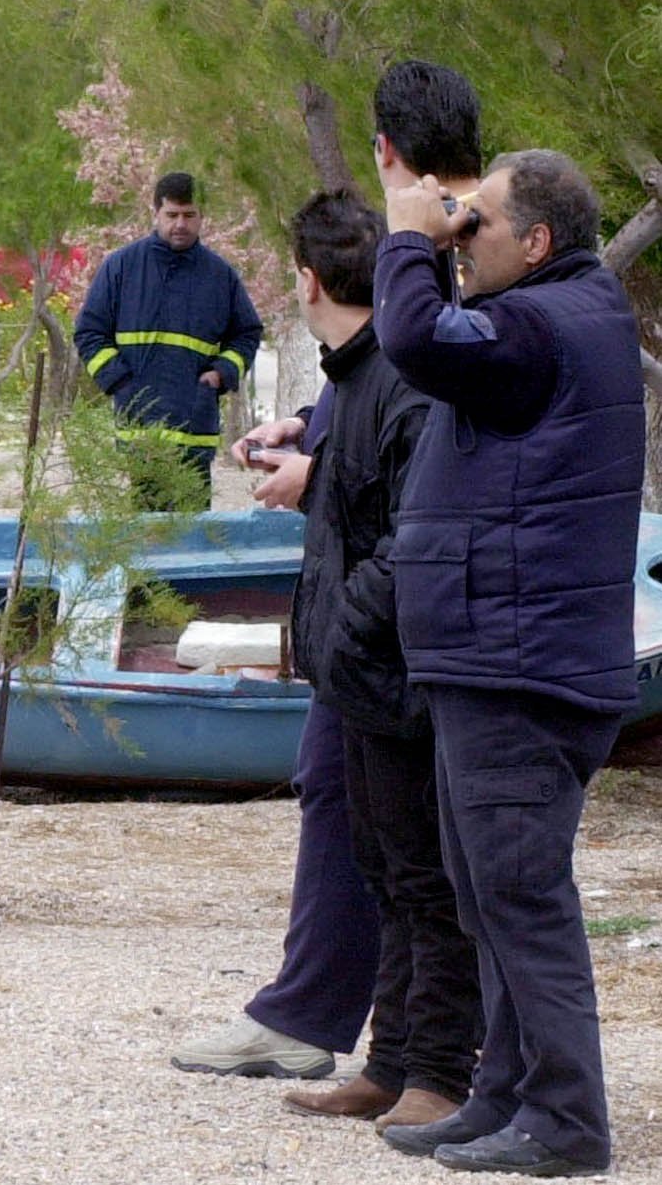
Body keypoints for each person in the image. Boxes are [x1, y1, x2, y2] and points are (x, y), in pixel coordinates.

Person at [171, 58, 485, 1090]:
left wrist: (322, 492)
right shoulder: (452, 270)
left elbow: (424, 459)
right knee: (355, 814)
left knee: (418, 859)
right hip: (382, 621)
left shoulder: (437, 276)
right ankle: (372, 1045)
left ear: (387, 150)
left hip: (405, 630)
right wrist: (313, 435)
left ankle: (432, 1065)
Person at [373, 149, 638, 1177]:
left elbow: (408, 335)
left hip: (516, 669)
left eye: (472, 222)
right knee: (484, 895)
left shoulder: (540, 326)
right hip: (499, 657)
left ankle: (567, 1121)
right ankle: (503, 1097)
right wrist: (435, 237)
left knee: (520, 898)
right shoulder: (556, 317)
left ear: (534, 243)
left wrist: (404, 232)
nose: (455, 236)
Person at [272, 191, 478, 1131]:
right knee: (386, 869)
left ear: (308, 281)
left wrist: (350, 625)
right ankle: (389, 1064)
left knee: (430, 879)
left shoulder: (404, 379)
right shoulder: (353, 380)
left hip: (402, 676)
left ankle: (439, 1070)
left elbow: (414, 534)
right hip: (355, 678)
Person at [75, 171, 263, 510]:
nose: (180, 224)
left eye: (189, 215)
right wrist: (119, 383)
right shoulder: (120, 267)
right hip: (141, 436)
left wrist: (221, 373)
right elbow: (89, 332)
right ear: (155, 214)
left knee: (191, 544)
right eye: (172, 215)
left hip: (195, 431)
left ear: (201, 216)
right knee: (145, 541)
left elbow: (247, 333)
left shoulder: (221, 276)